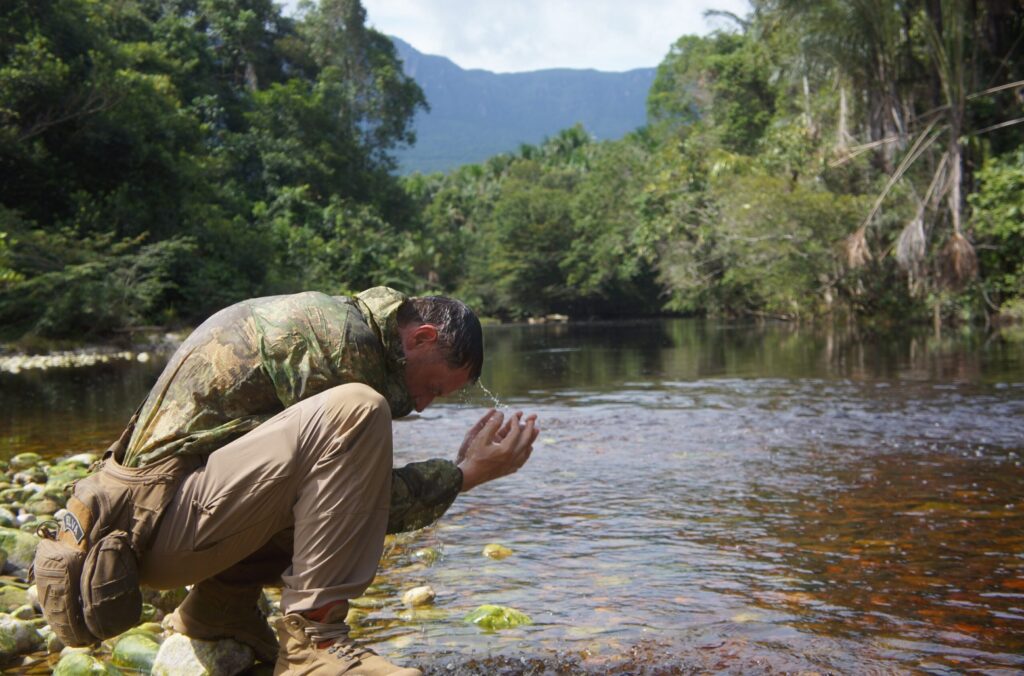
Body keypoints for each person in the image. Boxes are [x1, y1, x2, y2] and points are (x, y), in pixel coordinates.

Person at [112, 286, 539, 675]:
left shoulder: (343, 325)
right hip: (151, 536)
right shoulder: (341, 343)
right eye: (432, 387)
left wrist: (460, 473)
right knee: (359, 408)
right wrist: (465, 474)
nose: (423, 405)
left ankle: (220, 609)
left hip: (163, 525)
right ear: (421, 337)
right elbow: (365, 508)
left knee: (319, 463)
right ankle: (313, 645)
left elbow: (314, 487)